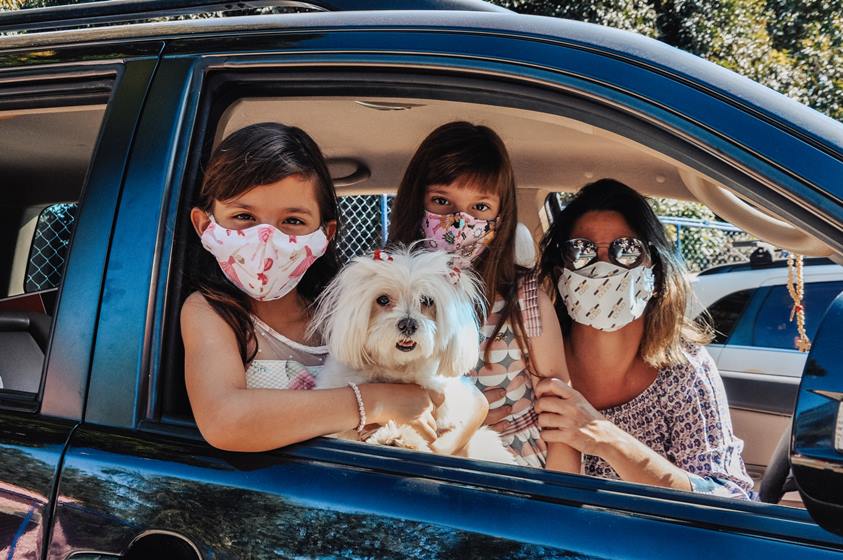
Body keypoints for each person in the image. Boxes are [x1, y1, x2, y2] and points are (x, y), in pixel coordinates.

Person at [181, 122, 441, 452]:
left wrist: (472, 408)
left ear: (326, 233)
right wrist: (373, 402)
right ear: (205, 225)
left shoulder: (353, 307)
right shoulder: (209, 312)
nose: (267, 239)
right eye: (244, 216)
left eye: (292, 221)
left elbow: (428, 388)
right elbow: (225, 420)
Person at [535, 178, 756, 498]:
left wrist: (606, 440)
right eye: (581, 251)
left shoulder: (685, 371)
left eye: (626, 250)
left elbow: (730, 497)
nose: (603, 267)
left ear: (654, 272)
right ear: (560, 274)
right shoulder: (534, 360)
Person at [389, 121, 579, 471]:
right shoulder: (384, 294)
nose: (459, 222)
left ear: (499, 218)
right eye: (442, 201)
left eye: (480, 208)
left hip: (514, 479)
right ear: (416, 202)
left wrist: (562, 507)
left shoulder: (524, 298)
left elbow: (561, 416)